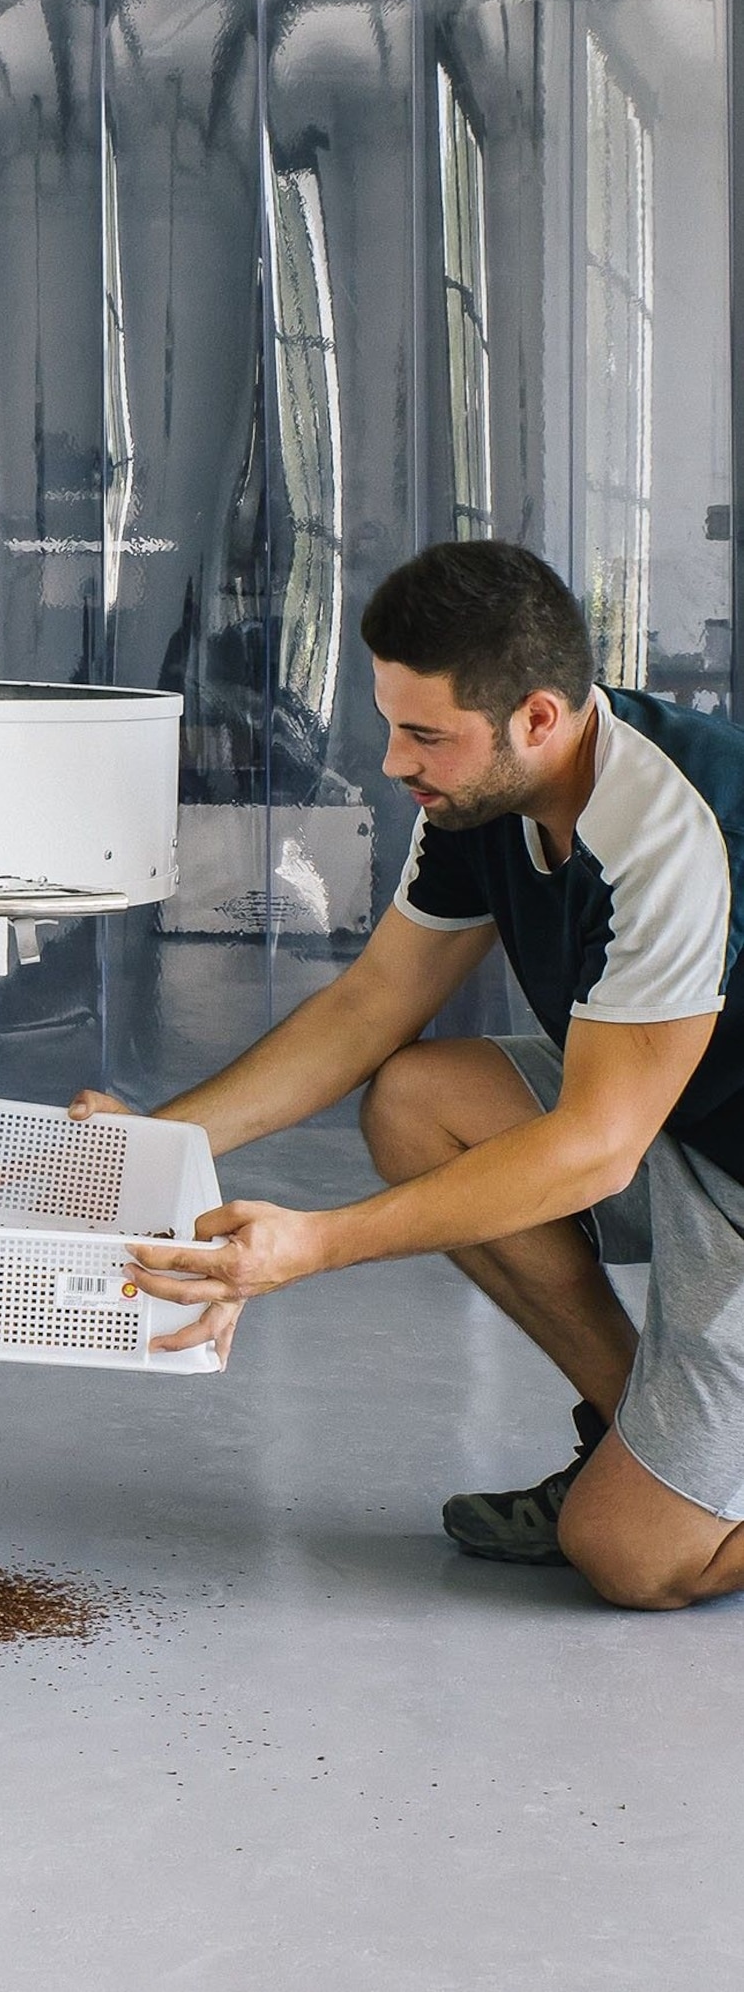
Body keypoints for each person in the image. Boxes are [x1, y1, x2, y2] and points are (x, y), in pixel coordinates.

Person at [76, 539, 744, 1610]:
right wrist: (154, 1145)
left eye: (423, 734)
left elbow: (595, 1147)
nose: (393, 761)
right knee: (415, 1099)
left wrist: (315, 1242)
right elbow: (365, 1011)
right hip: (687, 1117)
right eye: (391, 723)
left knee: (631, 1559)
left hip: (701, 1159)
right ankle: (645, 1441)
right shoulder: (485, 800)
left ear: (535, 716)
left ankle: (672, 1495)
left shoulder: (673, 835)